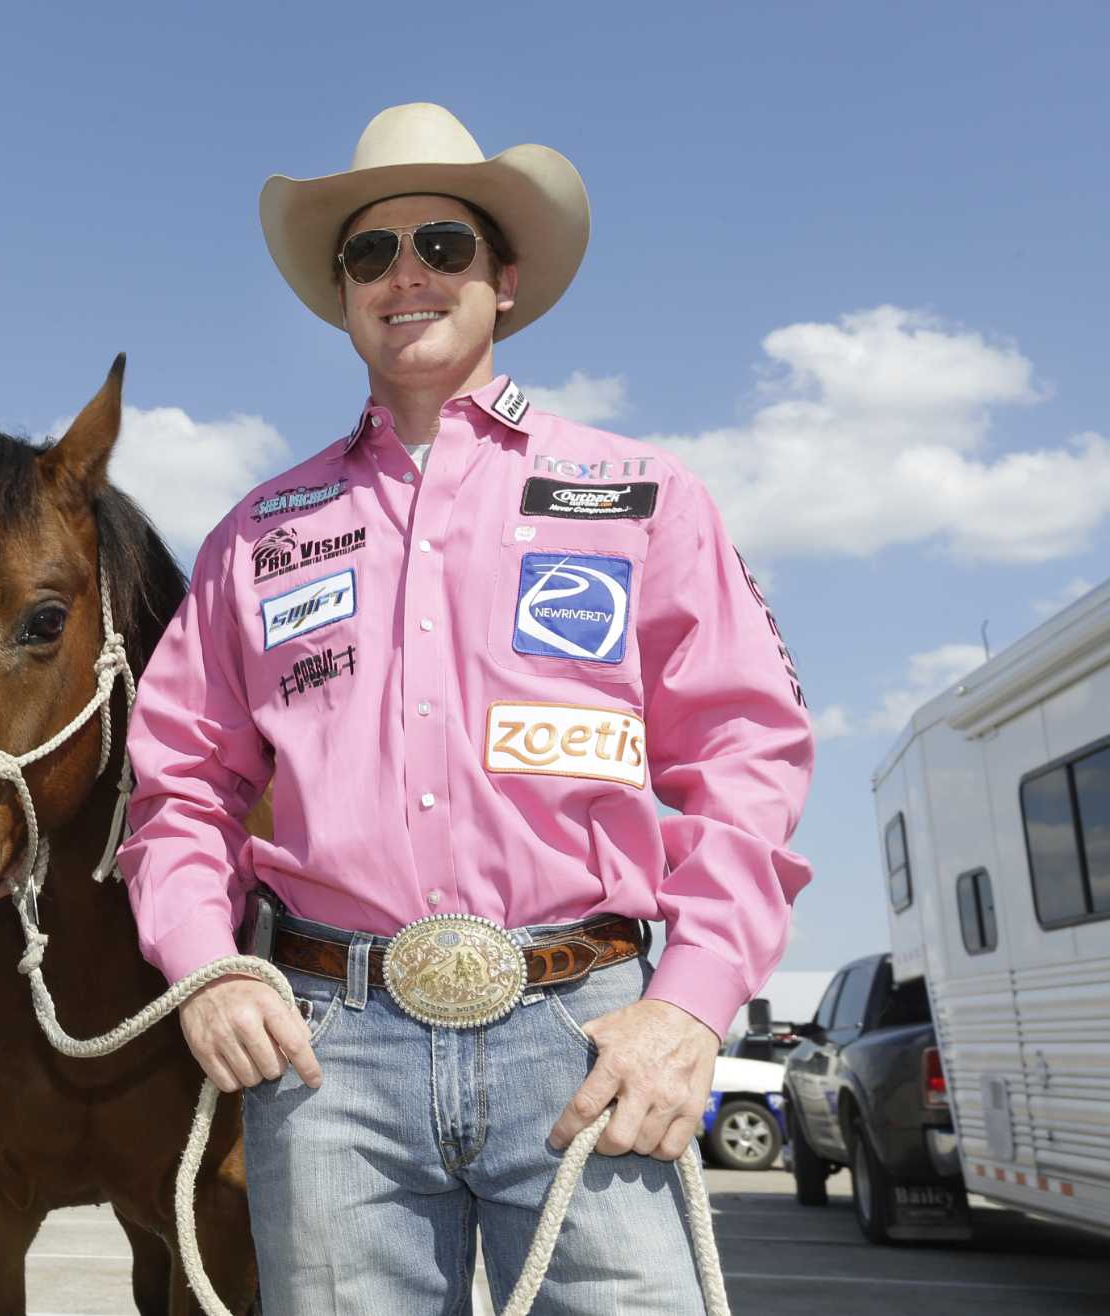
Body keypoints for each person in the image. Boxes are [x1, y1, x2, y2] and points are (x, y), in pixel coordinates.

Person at [117, 104, 814, 1313]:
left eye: (441, 244)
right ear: (342, 291)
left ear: (503, 278)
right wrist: (207, 967)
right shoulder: (256, 537)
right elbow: (177, 784)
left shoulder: (638, 494)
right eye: (368, 252)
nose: (405, 275)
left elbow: (744, 753)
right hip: (328, 1056)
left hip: (588, 1037)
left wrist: (688, 1005)